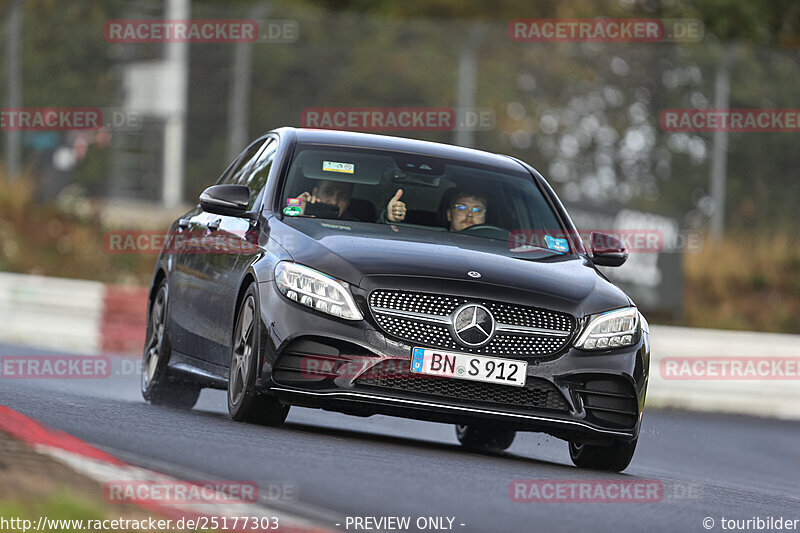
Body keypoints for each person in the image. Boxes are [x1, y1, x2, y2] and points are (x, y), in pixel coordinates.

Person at [386, 188, 487, 232]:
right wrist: (391, 221)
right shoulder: (430, 240)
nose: (469, 214)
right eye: (461, 208)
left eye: (477, 210)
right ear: (449, 214)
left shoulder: (500, 245)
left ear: (484, 216)